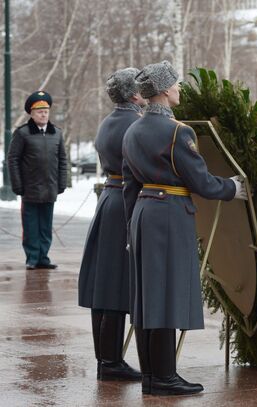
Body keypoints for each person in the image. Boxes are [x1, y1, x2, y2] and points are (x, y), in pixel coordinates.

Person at [122, 61, 247, 396]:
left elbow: (129, 186)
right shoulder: (178, 131)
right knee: (163, 295)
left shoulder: (132, 130)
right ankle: (163, 378)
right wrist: (231, 188)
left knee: (147, 297)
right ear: (164, 91)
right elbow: (201, 182)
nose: (179, 89)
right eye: (176, 84)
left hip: (144, 214)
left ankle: (152, 376)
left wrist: (130, 228)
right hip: (169, 214)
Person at [78, 68, 146, 382]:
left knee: (103, 283)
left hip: (110, 197)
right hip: (125, 200)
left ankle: (106, 358)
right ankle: (110, 362)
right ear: (134, 95)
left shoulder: (109, 121)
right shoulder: (136, 123)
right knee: (115, 284)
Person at [7, 91, 67, 270]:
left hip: (50, 187)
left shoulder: (57, 133)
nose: (43, 114)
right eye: (40, 111)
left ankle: (43, 257)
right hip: (30, 189)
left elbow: (63, 160)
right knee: (31, 226)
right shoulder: (23, 133)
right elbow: (13, 159)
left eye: (46, 111)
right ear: (31, 114)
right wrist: (17, 185)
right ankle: (32, 257)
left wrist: (61, 183)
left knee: (46, 227)